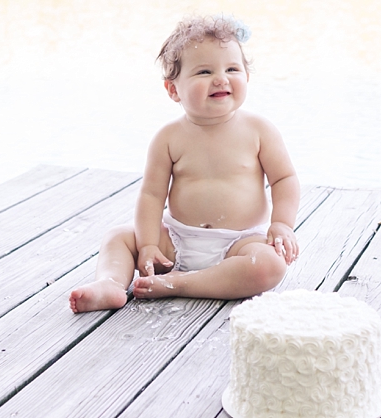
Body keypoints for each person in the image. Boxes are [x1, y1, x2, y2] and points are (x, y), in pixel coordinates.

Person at [69, 15, 300, 313]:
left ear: (247, 77)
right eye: (204, 71)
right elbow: (152, 195)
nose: (221, 78)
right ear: (173, 90)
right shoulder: (168, 137)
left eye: (232, 69)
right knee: (119, 237)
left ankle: (181, 283)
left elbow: (284, 179)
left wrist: (282, 224)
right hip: (177, 239)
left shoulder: (259, 130)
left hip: (239, 244)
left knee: (269, 266)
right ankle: (111, 284)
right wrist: (150, 243)